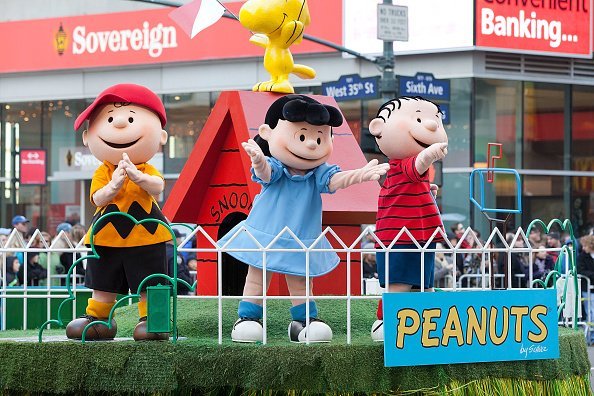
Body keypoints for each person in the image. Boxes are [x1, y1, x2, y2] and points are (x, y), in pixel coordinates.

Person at [219, 95, 389, 343]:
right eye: (302, 136)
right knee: (256, 277)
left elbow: (335, 180)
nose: (311, 144)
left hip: (300, 238)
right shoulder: (277, 167)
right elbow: (265, 174)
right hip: (266, 234)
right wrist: (258, 161)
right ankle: (247, 318)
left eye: (319, 138)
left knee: (300, 282)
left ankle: (303, 323)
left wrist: (359, 175)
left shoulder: (317, 174)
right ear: (268, 133)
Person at [65, 83, 171, 341]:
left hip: (146, 234)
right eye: (110, 118)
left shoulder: (146, 168)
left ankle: (153, 319)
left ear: (162, 137)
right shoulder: (103, 171)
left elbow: (158, 186)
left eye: (131, 118)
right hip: (106, 236)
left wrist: (137, 177)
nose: (121, 124)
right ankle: (99, 319)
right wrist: (113, 185)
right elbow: (98, 197)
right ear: (87, 137)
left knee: (151, 281)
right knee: (103, 280)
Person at [367, 96, 448, 341]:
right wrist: (433, 151)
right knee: (400, 284)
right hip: (400, 235)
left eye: (435, 119)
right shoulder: (401, 165)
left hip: (421, 234)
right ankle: (385, 321)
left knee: (424, 285)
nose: (432, 126)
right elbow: (419, 163)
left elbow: (415, 177)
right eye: (420, 118)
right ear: (378, 128)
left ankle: (425, 324)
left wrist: (427, 191)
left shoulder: (408, 171)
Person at [166, 229, 194, 295]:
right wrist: (190, 283)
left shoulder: (161, 251)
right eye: (180, 238)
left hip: (165, 291)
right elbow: (178, 276)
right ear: (176, 239)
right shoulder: (174, 254)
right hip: (177, 293)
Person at [577, 235, 594, 324]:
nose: (583, 248)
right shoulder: (582, 257)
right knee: (590, 311)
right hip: (587, 287)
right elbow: (581, 270)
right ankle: (591, 336)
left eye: (585, 245)